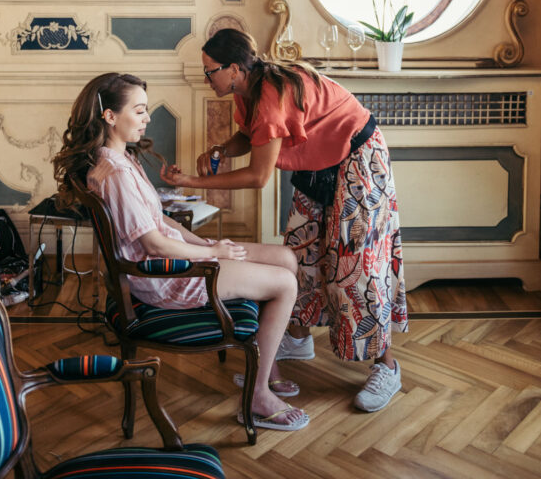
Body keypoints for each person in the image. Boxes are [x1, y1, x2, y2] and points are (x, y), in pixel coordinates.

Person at [162, 28, 408, 413]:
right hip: (322, 162)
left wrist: (194, 182)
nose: (206, 78)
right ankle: (296, 336)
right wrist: (221, 149)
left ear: (235, 68)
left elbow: (258, 177)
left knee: (359, 263)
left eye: (210, 71)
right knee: (302, 250)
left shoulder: (271, 97)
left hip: (358, 158)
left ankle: (387, 365)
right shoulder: (251, 90)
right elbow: (252, 135)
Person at [53, 71, 309, 432]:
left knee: (286, 258)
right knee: (285, 283)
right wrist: (210, 256)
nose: (147, 118)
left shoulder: (122, 160)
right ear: (110, 117)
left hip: (173, 260)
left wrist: (206, 244)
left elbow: (162, 222)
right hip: (165, 278)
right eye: (139, 111)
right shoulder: (115, 173)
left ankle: (264, 364)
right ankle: (258, 396)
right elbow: (153, 244)